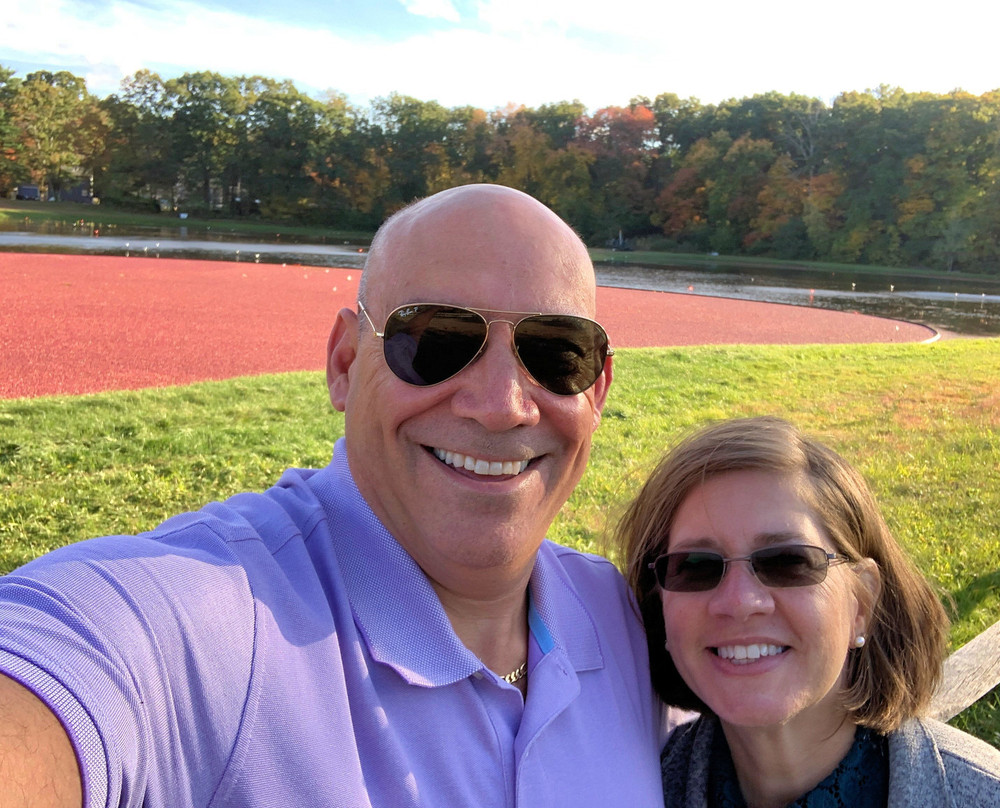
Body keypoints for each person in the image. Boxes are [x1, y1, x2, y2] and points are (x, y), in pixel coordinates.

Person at [0, 184, 668, 807]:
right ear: (345, 364)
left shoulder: (632, 621)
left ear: (597, 390)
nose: (501, 406)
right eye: (437, 343)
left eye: (556, 355)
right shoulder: (204, 626)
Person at [618, 416, 1000, 808]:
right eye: (695, 568)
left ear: (862, 604)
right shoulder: (620, 791)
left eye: (787, 562)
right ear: (660, 608)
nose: (739, 602)